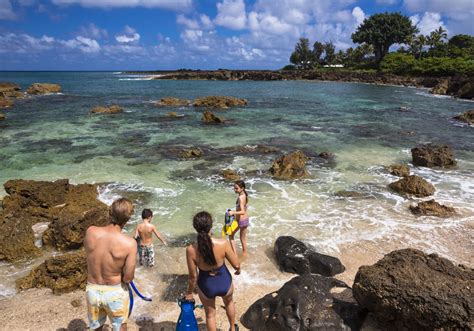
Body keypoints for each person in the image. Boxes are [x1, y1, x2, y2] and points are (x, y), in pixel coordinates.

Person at [84, 198, 137, 331]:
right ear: (128, 219)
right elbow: (128, 278)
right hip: (114, 292)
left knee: (95, 327)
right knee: (120, 327)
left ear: (110, 213)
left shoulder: (91, 231)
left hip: (92, 290)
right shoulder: (129, 243)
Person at [185, 211, 241, 331]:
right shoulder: (223, 243)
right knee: (229, 303)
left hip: (206, 285)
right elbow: (236, 264)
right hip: (224, 281)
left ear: (195, 228)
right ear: (211, 225)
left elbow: (193, 277)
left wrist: (189, 293)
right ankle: (232, 328)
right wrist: (238, 269)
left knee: (210, 315)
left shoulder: (191, 250)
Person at [228, 180, 249, 257]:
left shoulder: (240, 197)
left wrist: (233, 213)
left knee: (230, 235)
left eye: (236, 188)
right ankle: (245, 254)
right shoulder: (245, 195)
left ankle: (234, 255)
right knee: (242, 238)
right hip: (246, 220)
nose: (235, 190)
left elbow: (242, 211)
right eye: (234, 188)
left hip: (240, 221)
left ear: (242, 188)